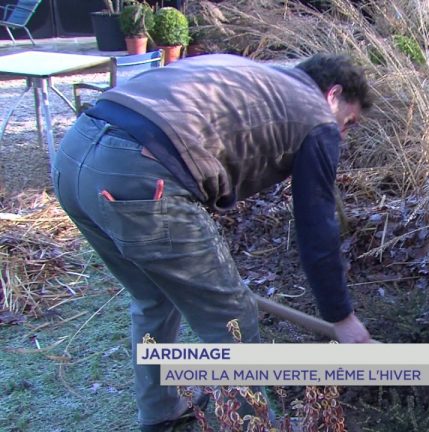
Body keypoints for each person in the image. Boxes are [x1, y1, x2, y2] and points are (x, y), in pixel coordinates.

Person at [52, 53, 373, 431]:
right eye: (349, 122)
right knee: (232, 316)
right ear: (333, 95)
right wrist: (342, 317)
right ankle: (253, 426)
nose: (343, 134)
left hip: (74, 156)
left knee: (155, 296)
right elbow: (316, 226)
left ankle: (160, 410)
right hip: (139, 175)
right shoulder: (317, 118)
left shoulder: (258, 77)